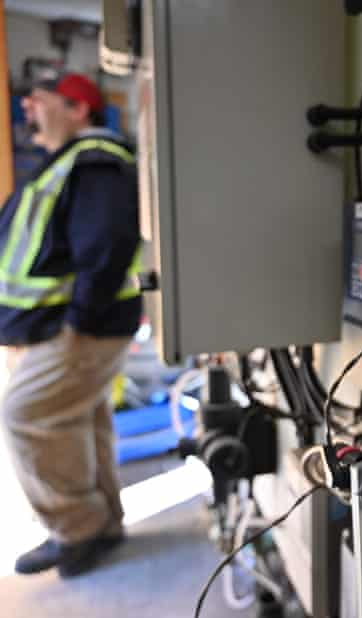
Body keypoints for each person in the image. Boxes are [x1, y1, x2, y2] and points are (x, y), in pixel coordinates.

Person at [0, 73, 142, 577]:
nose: (27, 106)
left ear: (78, 108)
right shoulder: (62, 165)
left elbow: (105, 245)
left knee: (26, 415)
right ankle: (103, 526)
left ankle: (76, 528)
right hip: (65, 326)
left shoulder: (95, 159)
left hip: (81, 327)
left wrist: (78, 322)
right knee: (82, 420)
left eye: (39, 100)